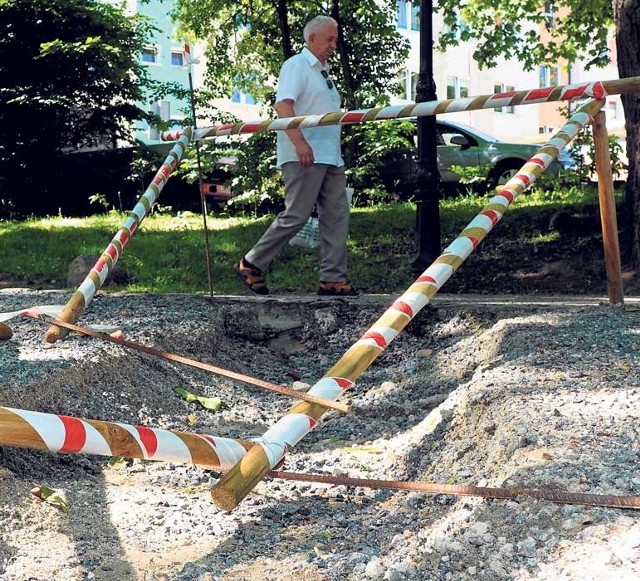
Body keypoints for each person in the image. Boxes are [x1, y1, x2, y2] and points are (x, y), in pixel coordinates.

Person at [235, 15, 357, 296]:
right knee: (297, 215)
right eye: (329, 39)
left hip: (330, 155)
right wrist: (300, 143)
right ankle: (252, 262)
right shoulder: (296, 66)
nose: (333, 45)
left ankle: (333, 279)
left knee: (337, 216)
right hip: (304, 154)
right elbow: (284, 106)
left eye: (335, 39)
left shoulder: (323, 72)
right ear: (311, 38)